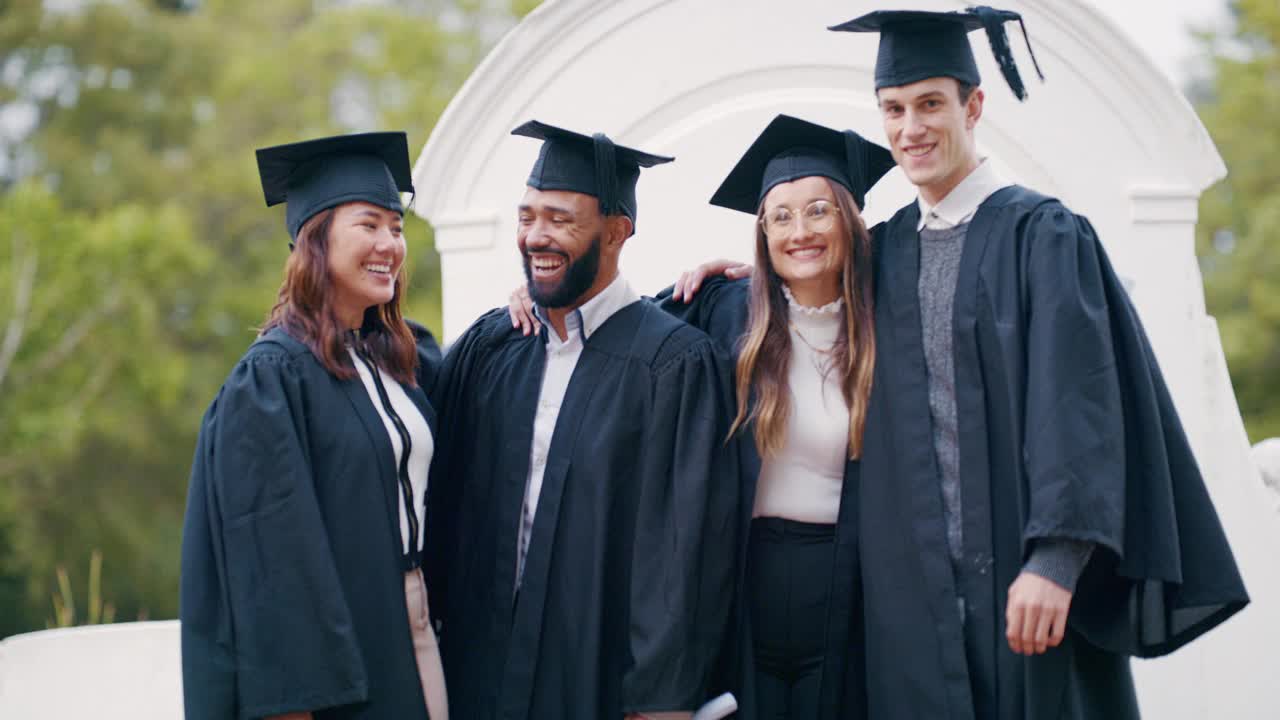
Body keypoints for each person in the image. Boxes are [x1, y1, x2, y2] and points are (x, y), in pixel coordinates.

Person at [826, 8, 1247, 719]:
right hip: (918, 609)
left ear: (974, 105)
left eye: (931, 103)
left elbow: (1078, 405)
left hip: (1024, 593)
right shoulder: (886, 249)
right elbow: (809, 315)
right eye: (893, 109)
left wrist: (1055, 561)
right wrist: (741, 275)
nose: (910, 128)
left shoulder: (1043, 235)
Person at [510, 114, 897, 719]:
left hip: (848, 588)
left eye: (818, 210)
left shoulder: (890, 325)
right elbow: (610, 324)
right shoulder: (724, 311)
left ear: (850, 221)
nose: (800, 231)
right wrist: (529, 294)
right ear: (762, 232)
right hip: (746, 583)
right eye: (781, 216)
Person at [422, 121, 739, 720]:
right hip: (481, 674)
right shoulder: (496, 348)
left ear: (617, 231)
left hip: (597, 681)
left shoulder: (673, 363)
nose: (536, 236)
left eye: (561, 220)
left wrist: (661, 698)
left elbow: (684, 553)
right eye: (526, 217)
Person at [180, 132, 448, 720]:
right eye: (369, 225)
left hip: (420, 629)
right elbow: (273, 566)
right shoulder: (273, 380)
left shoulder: (395, 360)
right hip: (342, 658)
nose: (390, 244)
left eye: (397, 228)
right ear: (317, 239)